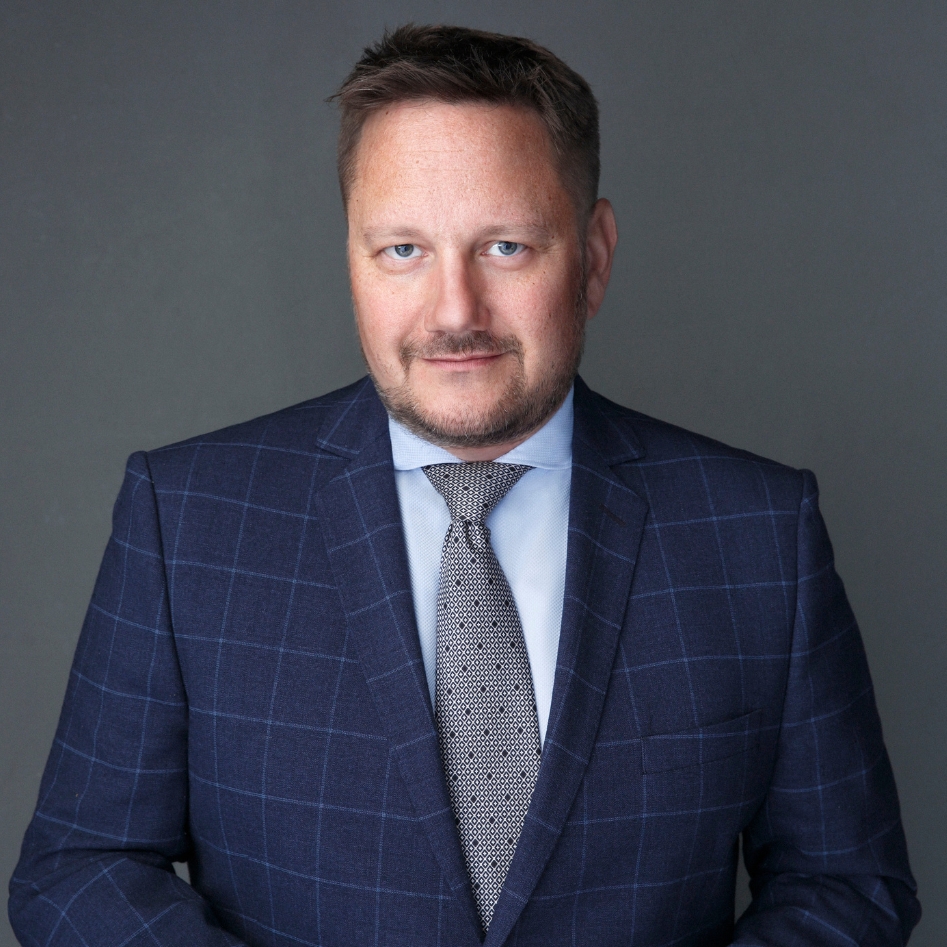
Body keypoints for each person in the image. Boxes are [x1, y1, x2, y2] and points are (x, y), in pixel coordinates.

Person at [9, 24, 920, 947]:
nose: (455, 311)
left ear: (594, 255)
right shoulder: (187, 519)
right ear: (352, 257)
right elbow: (79, 868)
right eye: (402, 249)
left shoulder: (759, 534)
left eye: (506, 246)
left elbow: (848, 885)